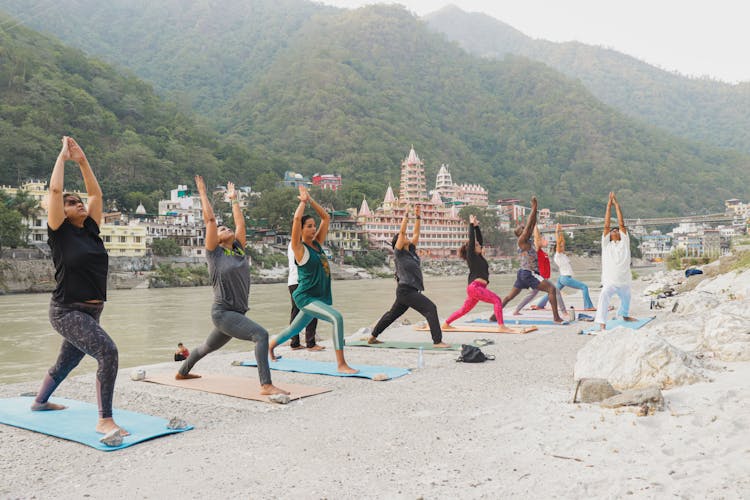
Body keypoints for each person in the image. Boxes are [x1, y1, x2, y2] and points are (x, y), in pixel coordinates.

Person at [31, 136, 128, 437]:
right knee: (108, 352)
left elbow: (96, 194)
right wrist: (62, 158)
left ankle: (39, 402)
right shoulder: (59, 233)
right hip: (66, 310)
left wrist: (83, 161)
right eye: (71, 203)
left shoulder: (90, 230)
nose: (79, 204)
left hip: (91, 312)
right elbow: (56, 190)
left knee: (66, 363)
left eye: (79, 201)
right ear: (61, 210)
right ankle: (104, 419)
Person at [176, 175, 287, 396]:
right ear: (214, 239)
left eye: (226, 228)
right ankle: (266, 385)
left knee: (206, 348)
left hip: (235, 313)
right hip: (223, 312)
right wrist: (203, 192)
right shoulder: (214, 254)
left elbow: (240, 224)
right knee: (261, 335)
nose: (224, 228)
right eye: (221, 229)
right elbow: (210, 222)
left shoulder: (238, 250)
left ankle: (182, 372)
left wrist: (234, 199)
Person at [269, 186, 357, 373]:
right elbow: (295, 220)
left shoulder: (317, 244)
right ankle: (341, 364)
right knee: (336, 318)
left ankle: (268, 347)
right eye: (309, 226)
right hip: (306, 296)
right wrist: (302, 203)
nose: (313, 228)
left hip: (317, 296)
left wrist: (311, 200)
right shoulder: (299, 248)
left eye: (313, 226)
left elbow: (325, 217)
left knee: (293, 329)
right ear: (301, 230)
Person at [367, 205, 450, 347]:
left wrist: (418, 216)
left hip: (407, 291)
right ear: (398, 242)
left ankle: (372, 337)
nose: (406, 237)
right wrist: (406, 215)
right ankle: (437, 341)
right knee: (431, 308)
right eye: (403, 237)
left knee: (391, 316)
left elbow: (416, 233)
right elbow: (402, 231)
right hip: (406, 290)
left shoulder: (411, 251)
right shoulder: (399, 253)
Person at [442, 214, 521, 333]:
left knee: (464, 310)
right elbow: (473, 240)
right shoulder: (471, 257)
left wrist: (477, 227)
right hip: (475, 288)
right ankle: (501, 326)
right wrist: (471, 225)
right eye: (478, 246)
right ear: (472, 249)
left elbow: (479, 240)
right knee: (497, 300)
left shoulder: (479, 256)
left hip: (476, 289)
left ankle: (446, 323)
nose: (480, 246)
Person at [501, 197, 567, 324]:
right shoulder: (521, 241)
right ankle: (556, 318)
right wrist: (534, 208)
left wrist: (535, 211)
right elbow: (529, 225)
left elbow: (531, 224)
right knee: (552, 289)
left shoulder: (527, 241)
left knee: (510, 297)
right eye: (523, 228)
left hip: (522, 273)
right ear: (521, 233)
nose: (525, 228)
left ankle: (494, 316)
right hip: (528, 273)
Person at [594, 192, 637, 330]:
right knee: (604, 295)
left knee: (627, 298)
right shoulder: (606, 245)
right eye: (612, 231)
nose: (614, 230)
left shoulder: (625, 242)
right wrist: (608, 205)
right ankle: (602, 323)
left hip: (624, 280)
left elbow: (621, 223)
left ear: (620, 233)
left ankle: (624, 315)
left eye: (616, 230)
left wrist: (616, 205)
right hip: (610, 281)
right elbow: (606, 226)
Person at [534, 223, 595, 311]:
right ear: (557, 248)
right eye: (561, 246)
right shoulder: (558, 255)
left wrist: (561, 232)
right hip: (565, 278)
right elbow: (559, 242)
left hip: (562, 278)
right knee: (584, 287)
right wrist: (557, 231)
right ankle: (588, 306)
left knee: (552, 291)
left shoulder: (562, 255)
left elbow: (562, 241)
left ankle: (540, 304)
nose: (563, 246)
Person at [509, 225, 567, 316]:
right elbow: (536, 236)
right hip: (537, 276)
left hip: (538, 275)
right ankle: (564, 312)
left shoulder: (536, 248)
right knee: (555, 291)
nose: (545, 240)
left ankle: (517, 310)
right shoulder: (536, 248)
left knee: (532, 294)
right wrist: (534, 225)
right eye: (542, 239)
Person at [286, 241, 322, 351]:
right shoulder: (301, 243)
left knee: (296, 312)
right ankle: (310, 343)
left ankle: (295, 343)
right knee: (313, 310)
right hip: (303, 281)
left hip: (293, 281)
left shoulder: (292, 242)